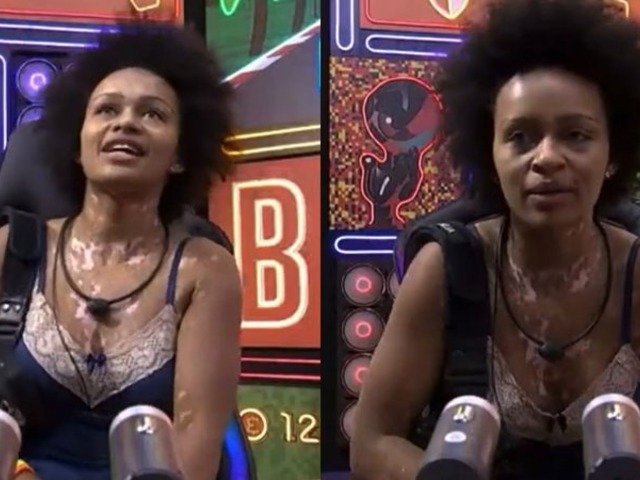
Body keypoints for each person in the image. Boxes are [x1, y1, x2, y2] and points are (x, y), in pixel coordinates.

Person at [350, 0, 640, 479]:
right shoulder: (443, 269)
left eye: (576, 135)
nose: (546, 158)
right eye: (521, 137)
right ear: (490, 154)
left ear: (613, 154)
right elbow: (372, 442)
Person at [0, 24, 242, 480]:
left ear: (180, 155)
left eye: (152, 114)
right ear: (78, 143)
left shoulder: (205, 271)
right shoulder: (9, 250)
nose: (125, 122)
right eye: (107, 109)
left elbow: (194, 458)